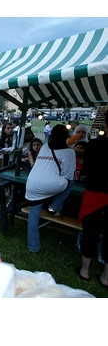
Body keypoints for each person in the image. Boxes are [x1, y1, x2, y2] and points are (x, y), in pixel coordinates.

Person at [25, 124, 76, 253]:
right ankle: (54, 207)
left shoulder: (45, 147)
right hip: (50, 185)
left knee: (33, 216)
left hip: (32, 183)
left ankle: (33, 247)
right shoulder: (69, 152)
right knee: (70, 183)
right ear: (66, 136)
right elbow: (69, 175)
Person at [76, 109, 108, 285]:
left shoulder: (95, 145)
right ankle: (106, 277)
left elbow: (85, 171)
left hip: (95, 193)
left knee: (91, 232)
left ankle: (85, 270)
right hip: (98, 193)